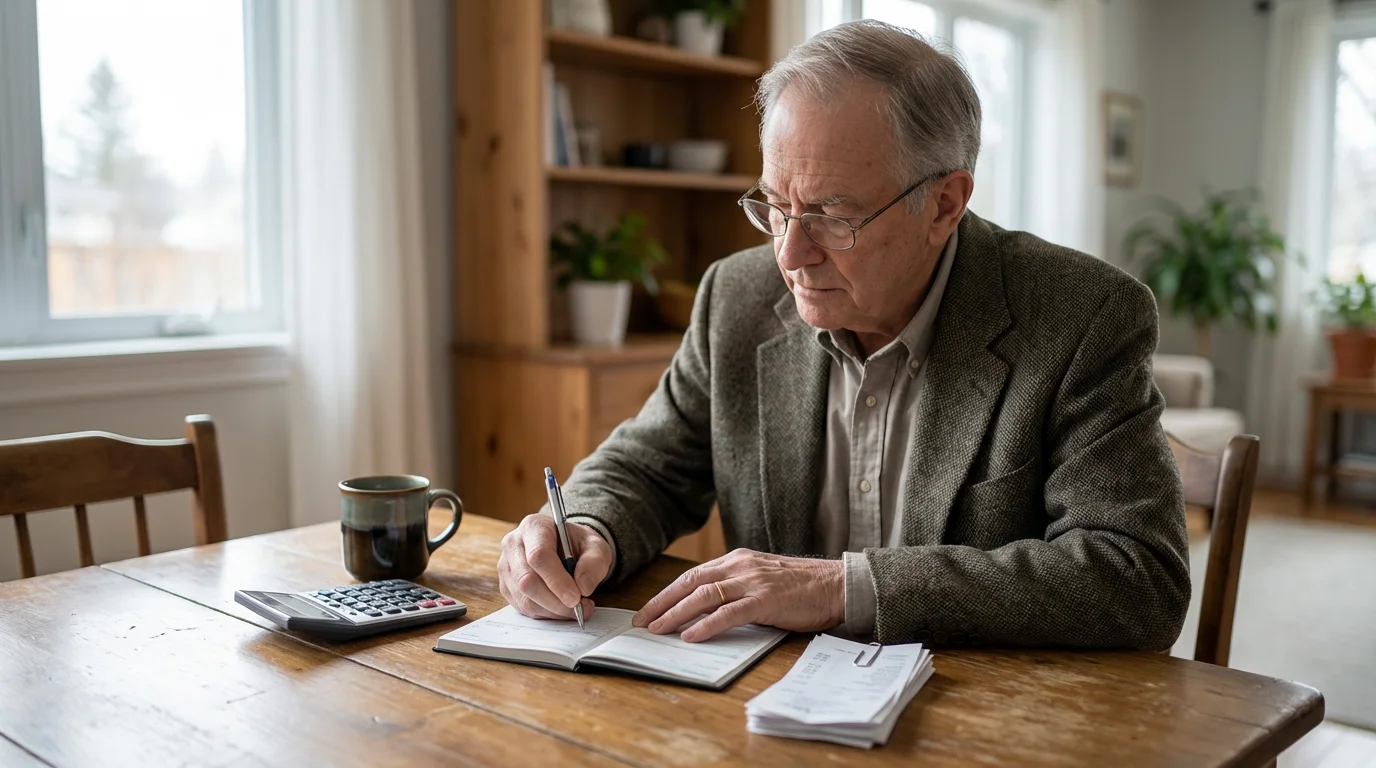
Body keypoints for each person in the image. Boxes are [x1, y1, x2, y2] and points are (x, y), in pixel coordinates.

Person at [496, 19, 1190, 649]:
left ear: (944, 204)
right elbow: (648, 467)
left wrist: (843, 589)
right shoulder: (736, 296)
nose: (791, 255)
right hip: (769, 706)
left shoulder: (1083, 315)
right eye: (773, 205)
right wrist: (585, 528)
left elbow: (1137, 577)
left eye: (833, 215)